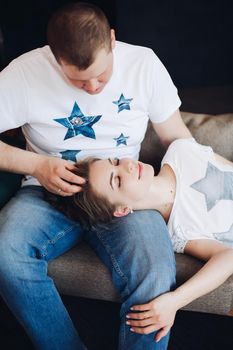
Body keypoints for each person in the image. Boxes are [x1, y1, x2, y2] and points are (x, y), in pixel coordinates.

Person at [0, 2, 191, 349]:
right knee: (5, 252)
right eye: (77, 79)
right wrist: (37, 166)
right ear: (55, 58)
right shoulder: (24, 74)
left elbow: (178, 139)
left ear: (113, 40)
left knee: (156, 268)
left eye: (102, 76)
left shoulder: (144, 64)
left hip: (124, 197)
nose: (92, 88)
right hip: (46, 194)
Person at [48, 137, 233, 340]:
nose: (127, 166)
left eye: (116, 162)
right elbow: (228, 257)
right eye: (117, 180)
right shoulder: (178, 231)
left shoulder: (181, 150)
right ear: (122, 210)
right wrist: (175, 300)